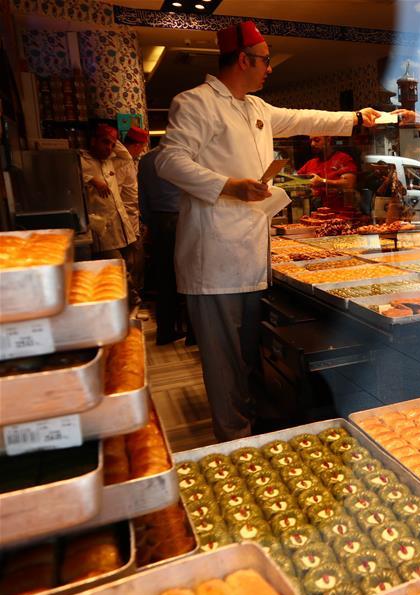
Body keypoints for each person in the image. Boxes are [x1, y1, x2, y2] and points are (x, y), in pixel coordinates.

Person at [156, 20, 385, 441]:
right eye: (264, 60)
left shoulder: (256, 108)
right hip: (214, 260)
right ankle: (233, 443)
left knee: (246, 357)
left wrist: (356, 117)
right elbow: (169, 161)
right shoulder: (195, 103)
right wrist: (229, 185)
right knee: (223, 362)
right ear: (243, 60)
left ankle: (251, 431)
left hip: (249, 254)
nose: (269, 68)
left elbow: (302, 117)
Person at [139, 144, 191, 345]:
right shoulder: (185, 155)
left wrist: (151, 222)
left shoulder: (146, 159)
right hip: (183, 219)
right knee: (191, 276)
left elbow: (142, 198)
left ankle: (165, 331)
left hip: (159, 221)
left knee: (165, 277)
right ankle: (194, 334)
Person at [81, 122, 139, 267]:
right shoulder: (81, 159)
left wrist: (112, 137)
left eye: (113, 145)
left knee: (133, 264)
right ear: (93, 141)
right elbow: (70, 177)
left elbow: (127, 157)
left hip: (121, 228)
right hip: (102, 231)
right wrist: (92, 180)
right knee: (115, 267)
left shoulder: (110, 161)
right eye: (105, 142)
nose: (109, 148)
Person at [113, 125, 149, 307]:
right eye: (142, 147)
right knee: (133, 262)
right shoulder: (122, 163)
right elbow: (116, 195)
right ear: (137, 145)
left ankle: (135, 297)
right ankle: (132, 302)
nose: (142, 151)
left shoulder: (129, 161)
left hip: (132, 219)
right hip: (125, 221)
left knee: (136, 261)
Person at [297, 135, 358, 210]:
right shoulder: (311, 163)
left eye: (317, 140)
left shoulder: (343, 158)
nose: (312, 144)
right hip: (316, 212)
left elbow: (349, 184)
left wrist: (323, 181)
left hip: (340, 211)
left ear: (328, 140)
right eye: (311, 141)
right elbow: (296, 181)